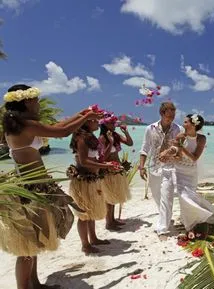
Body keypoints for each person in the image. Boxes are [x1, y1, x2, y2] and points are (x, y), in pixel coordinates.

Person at [0, 84, 101, 289]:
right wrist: (86, 116)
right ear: (27, 101)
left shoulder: (22, 124)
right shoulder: (26, 126)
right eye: (36, 100)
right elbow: (62, 132)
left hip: (35, 183)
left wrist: (81, 114)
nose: (38, 104)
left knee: (36, 239)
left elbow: (58, 126)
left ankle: (35, 283)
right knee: (28, 246)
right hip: (31, 187)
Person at [160, 114, 214, 239]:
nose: (183, 123)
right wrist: (167, 153)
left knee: (191, 197)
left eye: (186, 121)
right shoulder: (180, 136)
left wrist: (181, 147)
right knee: (183, 198)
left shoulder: (201, 138)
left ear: (194, 124)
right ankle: (190, 225)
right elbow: (178, 155)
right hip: (179, 171)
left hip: (191, 172)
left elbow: (194, 158)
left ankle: (200, 219)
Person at [68, 114, 119, 255]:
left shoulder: (91, 137)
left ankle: (94, 238)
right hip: (83, 180)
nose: (98, 122)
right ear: (87, 122)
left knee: (91, 211)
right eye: (95, 120)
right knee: (84, 214)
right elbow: (84, 161)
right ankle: (85, 245)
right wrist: (105, 166)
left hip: (93, 179)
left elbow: (101, 157)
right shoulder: (81, 138)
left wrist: (109, 143)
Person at [139, 102, 180, 241]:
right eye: (169, 116)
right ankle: (166, 217)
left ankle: (162, 229)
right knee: (158, 197)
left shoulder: (178, 129)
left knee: (167, 197)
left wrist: (170, 153)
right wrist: (141, 166)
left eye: (173, 116)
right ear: (162, 114)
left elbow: (180, 149)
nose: (171, 119)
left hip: (170, 168)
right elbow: (144, 148)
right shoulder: (150, 129)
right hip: (154, 168)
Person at [99, 112, 133, 231]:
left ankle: (112, 220)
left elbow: (130, 143)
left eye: (114, 122)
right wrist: (111, 142)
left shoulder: (115, 135)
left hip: (117, 169)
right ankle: (109, 222)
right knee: (109, 198)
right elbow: (102, 157)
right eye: (111, 123)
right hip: (108, 170)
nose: (114, 124)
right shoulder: (102, 138)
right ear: (105, 125)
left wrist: (126, 132)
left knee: (114, 196)